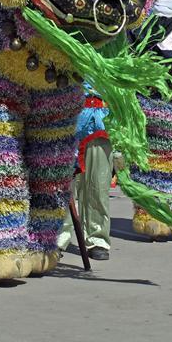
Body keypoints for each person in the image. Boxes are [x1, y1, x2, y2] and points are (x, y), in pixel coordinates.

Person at [57, 85, 114, 260]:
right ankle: (57, 238)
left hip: (101, 122)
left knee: (98, 185)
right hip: (66, 118)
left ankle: (97, 239)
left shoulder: (113, 56)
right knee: (61, 185)